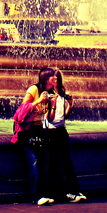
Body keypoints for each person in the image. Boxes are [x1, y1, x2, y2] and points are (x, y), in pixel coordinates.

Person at [43, 69, 87, 203]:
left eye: (57, 78)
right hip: (50, 131)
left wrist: (70, 104)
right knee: (52, 163)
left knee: (68, 162)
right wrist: (53, 104)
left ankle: (74, 192)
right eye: (53, 78)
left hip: (62, 130)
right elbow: (49, 118)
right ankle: (52, 193)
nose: (55, 80)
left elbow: (64, 116)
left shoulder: (62, 94)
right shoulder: (46, 95)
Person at [15, 67, 57, 205]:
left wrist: (53, 104)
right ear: (46, 78)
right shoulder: (34, 89)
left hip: (40, 131)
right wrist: (39, 100)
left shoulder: (50, 93)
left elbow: (50, 118)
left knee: (44, 162)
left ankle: (42, 194)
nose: (56, 79)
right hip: (27, 131)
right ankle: (35, 196)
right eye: (53, 77)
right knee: (33, 162)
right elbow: (22, 109)